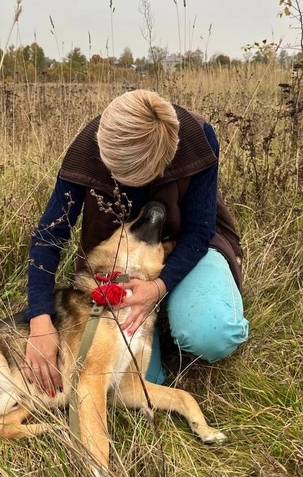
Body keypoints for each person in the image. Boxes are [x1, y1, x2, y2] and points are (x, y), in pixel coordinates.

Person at [23, 89, 248, 396]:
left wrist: (158, 287)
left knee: (213, 334)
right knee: (138, 384)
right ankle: (168, 326)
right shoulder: (85, 153)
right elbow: (49, 237)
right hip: (120, 267)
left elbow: (198, 231)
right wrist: (39, 320)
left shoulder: (198, 138)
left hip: (188, 251)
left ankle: (187, 311)